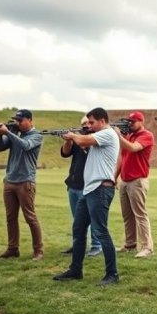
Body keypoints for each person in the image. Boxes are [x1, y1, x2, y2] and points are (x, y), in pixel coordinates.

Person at [53, 107, 121, 286]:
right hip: (89, 189)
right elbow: (76, 147)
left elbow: (84, 139)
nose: (89, 126)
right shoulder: (97, 136)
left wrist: (73, 134)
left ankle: (112, 274)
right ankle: (76, 270)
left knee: (101, 231)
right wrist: (70, 138)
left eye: (92, 122)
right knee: (78, 230)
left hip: (100, 188)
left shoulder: (108, 133)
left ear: (102, 121)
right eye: (88, 123)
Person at [0, 109, 44, 261]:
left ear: (29, 120)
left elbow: (26, 146)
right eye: (16, 120)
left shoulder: (37, 135)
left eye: (20, 120)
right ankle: (12, 249)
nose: (17, 123)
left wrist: (8, 132)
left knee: (30, 217)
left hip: (25, 182)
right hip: (10, 181)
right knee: (11, 218)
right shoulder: (16, 134)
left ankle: (38, 251)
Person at [114, 111, 155, 258]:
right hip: (125, 180)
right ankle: (130, 244)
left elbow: (133, 148)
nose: (130, 124)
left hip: (137, 180)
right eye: (129, 122)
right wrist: (115, 177)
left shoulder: (146, 135)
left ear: (141, 122)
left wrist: (119, 136)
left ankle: (147, 247)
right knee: (127, 216)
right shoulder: (129, 136)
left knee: (140, 215)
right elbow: (122, 159)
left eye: (133, 122)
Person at [60, 116, 102, 257]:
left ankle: (96, 245)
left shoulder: (96, 138)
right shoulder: (78, 138)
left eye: (88, 123)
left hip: (88, 185)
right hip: (74, 183)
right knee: (77, 219)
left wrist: (76, 137)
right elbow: (65, 153)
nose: (85, 126)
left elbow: (89, 149)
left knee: (92, 218)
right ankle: (78, 245)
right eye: (82, 124)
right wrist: (69, 140)